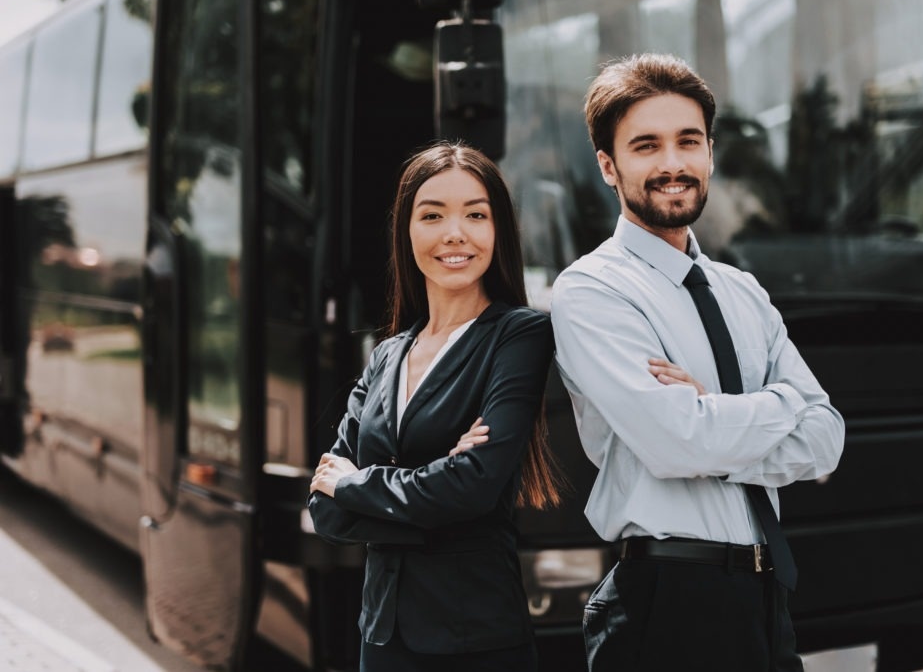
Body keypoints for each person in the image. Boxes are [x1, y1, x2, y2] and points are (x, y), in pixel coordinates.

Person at [550, 53, 845, 671]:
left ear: (710, 152)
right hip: (667, 605)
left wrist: (716, 413)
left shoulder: (742, 290)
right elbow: (678, 443)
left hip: (767, 600)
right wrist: (781, 405)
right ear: (609, 165)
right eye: (646, 146)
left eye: (688, 141)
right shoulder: (591, 290)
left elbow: (827, 438)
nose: (672, 164)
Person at [308, 141, 561, 672]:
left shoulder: (519, 335)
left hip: (476, 640)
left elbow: (474, 485)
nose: (455, 233)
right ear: (407, 230)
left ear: (498, 231)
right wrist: (435, 493)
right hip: (381, 636)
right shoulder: (386, 355)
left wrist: (355, 484)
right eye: (432, 215)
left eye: (475, 214)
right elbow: (324, 510)